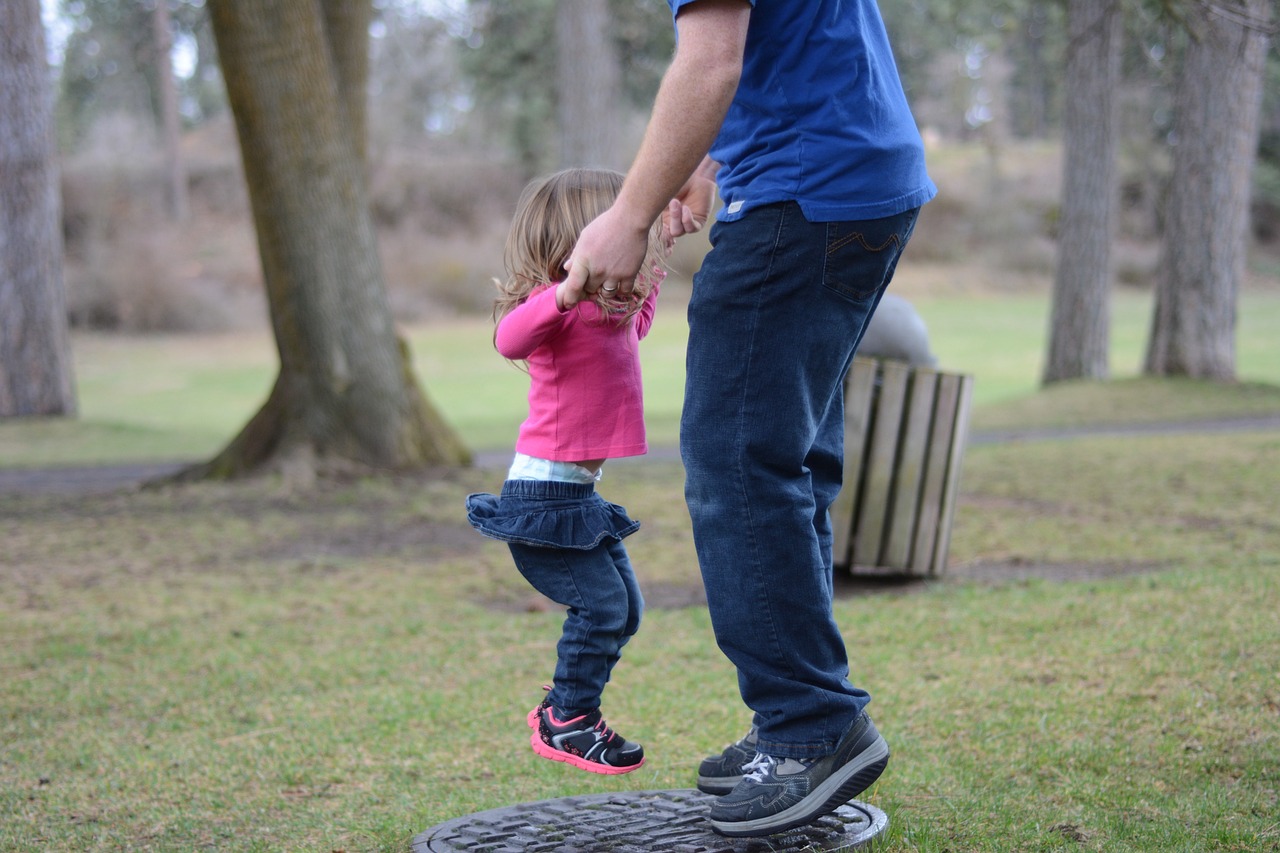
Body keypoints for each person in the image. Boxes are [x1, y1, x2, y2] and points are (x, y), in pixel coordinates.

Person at [557, 0, 937, 837]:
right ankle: (795, 724)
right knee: (787, 457)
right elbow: (783, 46)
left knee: (737, 463)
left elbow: (711, 61)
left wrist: (627, 215)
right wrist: (712, 155)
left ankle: (810, 725)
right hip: (857, 179)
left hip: (804, 195)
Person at [465, 168, 667, 776]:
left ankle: (567, 709)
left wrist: (660, 253)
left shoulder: (606, 317)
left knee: (625, 610)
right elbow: (507, 339)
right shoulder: (552, 311)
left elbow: (638, 324)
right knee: (603, 610)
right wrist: (564, 292)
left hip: (575, 498)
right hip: (542, 501)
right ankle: (569, 720)